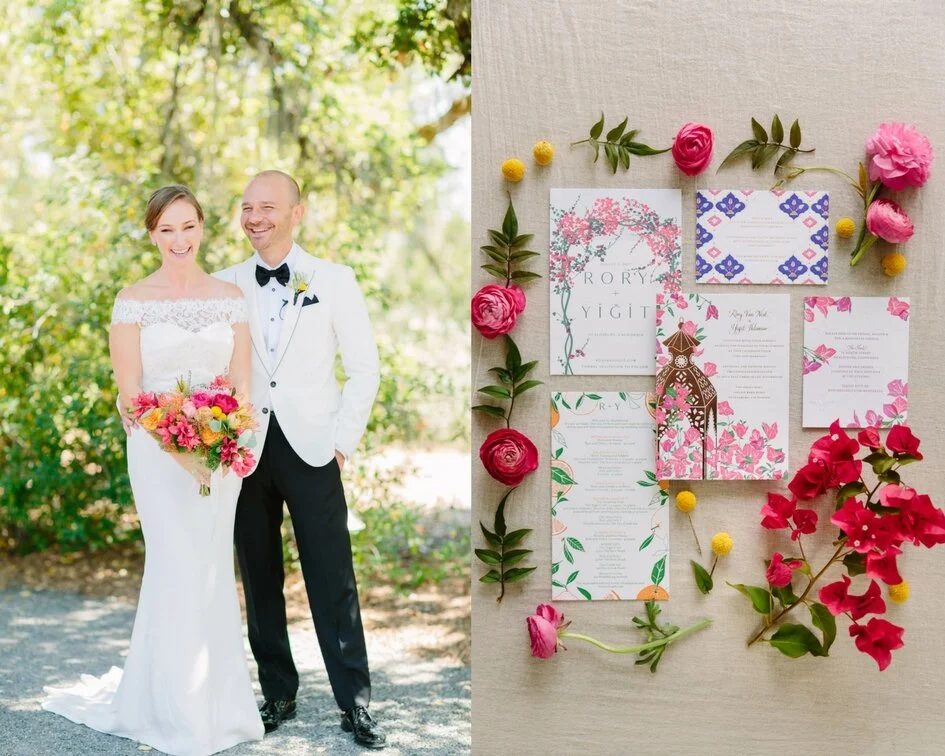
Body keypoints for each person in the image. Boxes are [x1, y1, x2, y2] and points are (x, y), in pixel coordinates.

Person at [41, 186, 265, 755]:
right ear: (151, 235)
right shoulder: (133, 300)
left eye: (187, 226)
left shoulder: (230, 296)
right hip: (155, 449)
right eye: (166, 230)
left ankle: (222, 710)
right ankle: (172, 713)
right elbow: (131, 393)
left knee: (212, 569)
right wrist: (178, 448)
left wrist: (225, 443)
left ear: (203, 228)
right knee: (174, 564)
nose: (179, 240)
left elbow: (242, 384)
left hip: (220, 454)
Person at [214, 170, 385, 748]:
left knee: (332, 577)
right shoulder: (221, 283)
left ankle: (355, 703)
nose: (254, 217)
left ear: (297, 213)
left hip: (314, 450)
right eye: (246, 208)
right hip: (244, 449)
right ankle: (278, 694)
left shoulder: (335, 281)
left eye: (267, 207)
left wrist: (342, 443)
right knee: (258, 577)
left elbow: (365, 368)